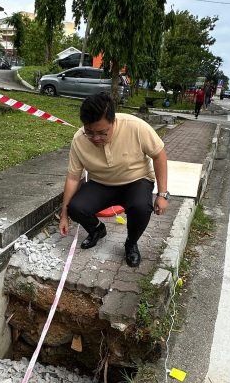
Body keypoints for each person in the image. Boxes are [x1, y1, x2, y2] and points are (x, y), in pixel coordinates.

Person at [59, 92, 169, 268]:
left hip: (136, 181)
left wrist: (162, 194)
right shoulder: (79, 140)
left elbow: (159, 155)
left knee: (141, 207)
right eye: (90, 132)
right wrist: (63, 214)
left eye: (102, 133)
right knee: (75, 207)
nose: (95, 138)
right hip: (101, 184)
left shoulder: (136, 127)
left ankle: (131, 244)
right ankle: (97, 230)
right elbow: (73, 178)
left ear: (113, 121)